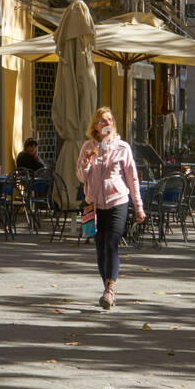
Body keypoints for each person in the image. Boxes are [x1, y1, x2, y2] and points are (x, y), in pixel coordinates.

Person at [76, 106, 146, 311]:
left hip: (118, 201)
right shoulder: (88, 146)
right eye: (102, 121)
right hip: (93, 204)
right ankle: (108, 287)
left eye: (109, 120)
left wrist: (139, 207)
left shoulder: (123, 147)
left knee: (111, 244)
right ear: (95, 127)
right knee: (99, 249)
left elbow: (132, 179)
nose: (107, 124)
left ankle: (110, 289)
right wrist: (86, 161)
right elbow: (81, 177)